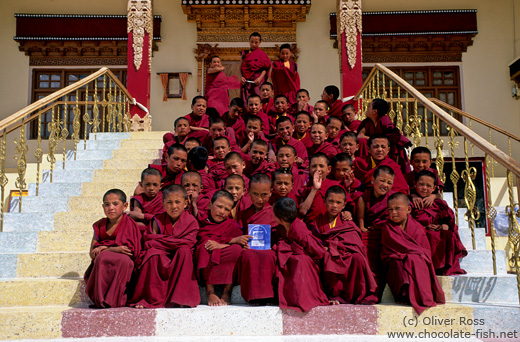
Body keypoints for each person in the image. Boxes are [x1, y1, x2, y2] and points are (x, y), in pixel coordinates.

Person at [130, 185, 200, 308]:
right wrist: (173, 242)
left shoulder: (191, 221)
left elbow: (188, 243)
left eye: (177, 202)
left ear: (185, 203)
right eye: (169, 202)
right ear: (163, 204)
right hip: (160, 254)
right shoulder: (158, 220)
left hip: (180, 257)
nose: (173, 206)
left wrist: (163, 241)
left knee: (184, 251)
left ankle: (181, 299)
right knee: (152, 254)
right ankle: (150, 299)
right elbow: (149, 241)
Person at [309, 186, 378, 304]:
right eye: (330, 201)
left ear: (344, 205)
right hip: (326, 254)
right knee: (328, 257)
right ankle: (332, 295)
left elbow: (355, 243)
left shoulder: (347, 222)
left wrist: (335, 247)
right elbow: (313, 241)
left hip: (344, 253)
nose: (334, 205)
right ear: (324, 202)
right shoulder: (317, 222)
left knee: (357, 257)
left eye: (338, 202)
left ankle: (353, 294)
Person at [381, 192, 446, 315]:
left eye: (397, 209)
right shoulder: (387, 228)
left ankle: (422, 296)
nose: (393, 212)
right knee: (403, 262)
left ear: (408, 209)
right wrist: (409, 255)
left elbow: (425, 251)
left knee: (415, 260)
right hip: (395, 260)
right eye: (390, 209)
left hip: (415, 259)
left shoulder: (417, 227)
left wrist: (412, 255)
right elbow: (388, 252)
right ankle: (404, 295)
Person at [84, 189, 142, 308]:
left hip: (124, 262)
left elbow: (129, 251)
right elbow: (92, 253)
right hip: (103, 260)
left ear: (125, 205)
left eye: (115, 204)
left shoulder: (129, 224)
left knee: (117, 259)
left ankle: (116, 299)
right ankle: (100, 298)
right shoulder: (99, 225)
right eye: (107, 204)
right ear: (103, 206)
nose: (111, 208)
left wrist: (105, 249)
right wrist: (112, 250)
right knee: (102, 257)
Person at [272, 197, 330, 312]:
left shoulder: (299, 229)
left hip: (308, 261)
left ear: (281, 218)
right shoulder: (281, 227)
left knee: (300, 261)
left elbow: (317, 251)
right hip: (291, 257)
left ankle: (300, 298)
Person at [195, 190, 251, 306]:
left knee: (237, 250)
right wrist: (221, 244)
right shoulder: (202, 221)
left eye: (226, 209)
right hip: (208, 252)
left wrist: (221, 245)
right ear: (210, 205)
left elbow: (238, 243)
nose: (222, 212)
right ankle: (210, 291)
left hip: (224, 251)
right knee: (204, 248)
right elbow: (203, 239)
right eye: (219, 207)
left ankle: (227, 290)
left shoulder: (231, 223)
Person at [411, 170, 467, 275]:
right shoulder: (411, 201)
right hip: (417, 232)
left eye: (428, 186)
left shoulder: (439, 203)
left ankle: (441, 266)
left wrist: (441, 227)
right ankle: (425, 266)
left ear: (434, 188)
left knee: (447, 235)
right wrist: (424, 227)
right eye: (421, 184)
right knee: (430, 236)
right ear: (415, 185)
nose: (424, 188)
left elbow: (449, 223)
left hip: (435, 231)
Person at [236, 175, 278, 304]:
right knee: (248, 255)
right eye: (255, 194)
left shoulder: (274, 212)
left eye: (264, 194)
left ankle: (269, 296)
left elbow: (279, 235)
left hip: (269, 248)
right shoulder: (244, 213)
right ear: (248, 192)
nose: (259, 199)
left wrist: (273, 245)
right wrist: (242, 242)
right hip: (250, 248)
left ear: (271, 192)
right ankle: (253, 297)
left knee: (270, 256)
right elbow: (239, 232)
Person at [356, 165, 396, 298]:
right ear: (373, 181)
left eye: (389, 183)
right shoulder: (363, 198)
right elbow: (361, 222)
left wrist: (379, 226)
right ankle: (368, 286)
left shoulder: (392, 199)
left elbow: (394, 220)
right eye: (382, 181)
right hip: (369, 233)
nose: (385, 185)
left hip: (385, 233)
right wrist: (367, 230)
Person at [357, 99, 411, 173]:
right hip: (373, 149)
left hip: (387, 150)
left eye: (369, 106)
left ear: (374, 111)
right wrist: (372, 139)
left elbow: (394, 135)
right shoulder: (367, 122)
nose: (366, 109)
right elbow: (359, 136)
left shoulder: (384, 121)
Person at [299, 153, 353, 222]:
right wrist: (315, 189)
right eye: (314, 166)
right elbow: (303, 211)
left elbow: (346, 207)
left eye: (321, 166)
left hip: (332, 226)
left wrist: (347, 213)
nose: (317, 169)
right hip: (312, 227)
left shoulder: (335, 185)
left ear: (329, 169)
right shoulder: (306, 188)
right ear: (309, 169)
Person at [240, 32, 272, 104]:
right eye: (252, 42)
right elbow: (241, 68)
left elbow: (265, 68)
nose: (254, 44)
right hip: (246, 81)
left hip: (257, 80)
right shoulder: (245, 53)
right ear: (249, 41)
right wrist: (241, 77)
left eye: (256, 42)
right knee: (246, 100)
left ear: (260, 42)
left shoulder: (262, 54)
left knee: (258, 98)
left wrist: (260, 78)